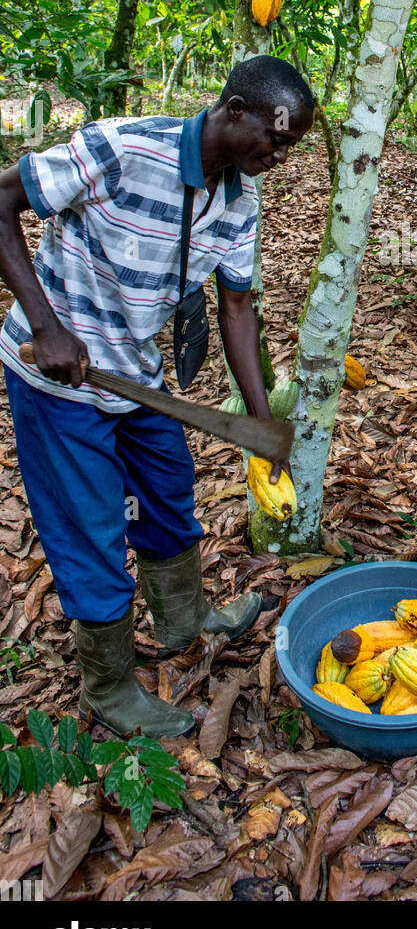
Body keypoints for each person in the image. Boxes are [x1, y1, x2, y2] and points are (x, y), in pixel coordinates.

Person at [0, 55, 315, 739]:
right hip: (59, 377)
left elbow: (236, 310)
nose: (280, 156)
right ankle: (109, 688)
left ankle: (181, 619)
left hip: (136, 375)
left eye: (291, 148)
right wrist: (48, 326)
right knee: (91, 528)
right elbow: (0, 204)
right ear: (235, 110)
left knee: (170, 492)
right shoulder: (121, 148)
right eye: (276, 138)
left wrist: (259, 429)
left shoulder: (240, 198)